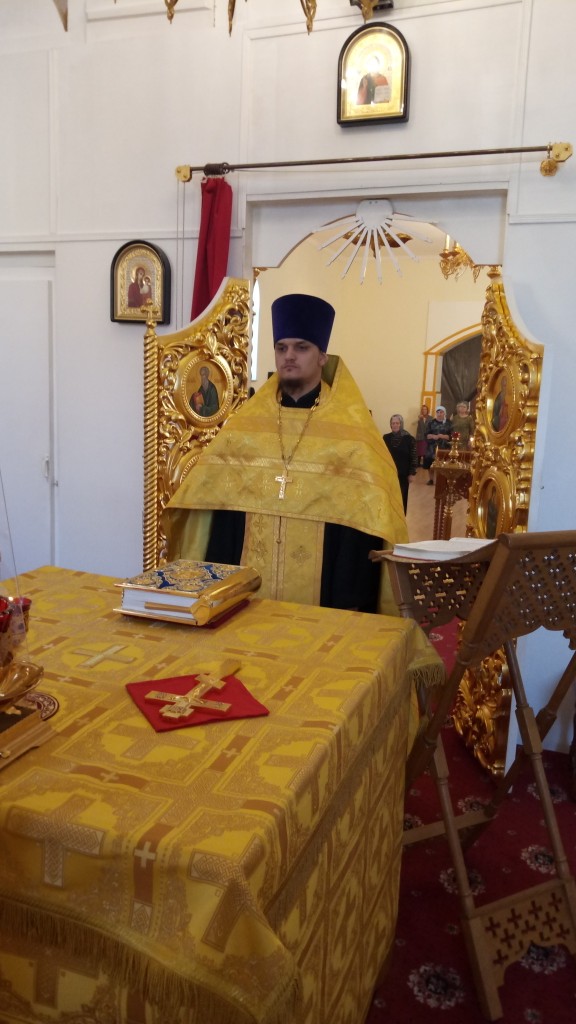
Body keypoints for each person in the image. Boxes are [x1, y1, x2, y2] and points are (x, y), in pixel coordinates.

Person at [163, 292, 407, 613]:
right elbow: (220, 515)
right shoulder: (245, 426)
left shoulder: (353, 432)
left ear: (322, 356)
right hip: (244, 601)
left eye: (301, 348)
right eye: (282, 348)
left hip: (325, 604)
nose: (289, 356)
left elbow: (361, 530)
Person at [383, 414, 417, 513]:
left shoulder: (409, 439)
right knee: (390, 495)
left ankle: (401, 516)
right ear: (390, 424)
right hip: (389, 473)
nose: (395, 425)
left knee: (402, 496)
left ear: (401, 424)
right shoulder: (385, 438)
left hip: (403, 474)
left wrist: (412, 473)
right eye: (393, 423)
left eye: (397, 423)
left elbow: (414, 456)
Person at [423, 405, 452, 485]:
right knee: (430, 464)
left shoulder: (449, 423)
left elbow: (452, 436)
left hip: (444, 447)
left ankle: (443, 479)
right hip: (432, 448)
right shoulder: (431, 423)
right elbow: (426, 435)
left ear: (444, 413)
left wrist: (442, 436)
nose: (439, 414)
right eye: (438, 412)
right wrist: (433, 436)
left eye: (441, 412)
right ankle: (431, 479)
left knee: (444, 464)